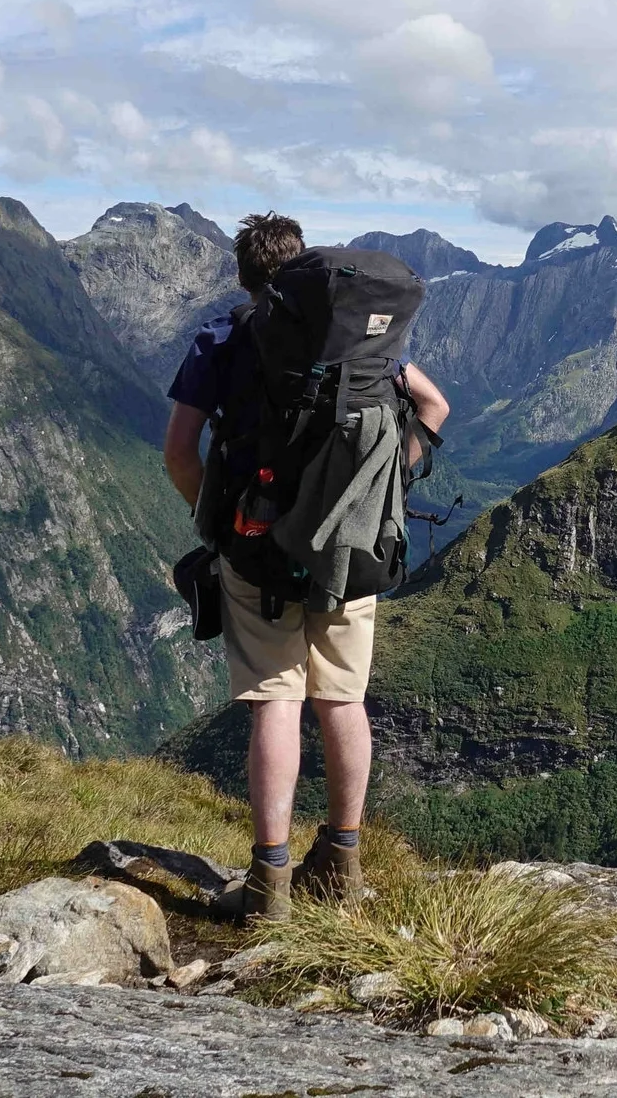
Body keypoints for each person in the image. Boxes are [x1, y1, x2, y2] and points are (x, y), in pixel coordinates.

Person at [162, 212, 450, 920]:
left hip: (258, 549)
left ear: (245, 274)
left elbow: (178, 453)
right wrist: (379, 491)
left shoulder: (223, 339)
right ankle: (343, 863)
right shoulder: (369, 350)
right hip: (353, 553)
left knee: (276, 701)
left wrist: (219, 522)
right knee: (343, 702)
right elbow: (435, 408)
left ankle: (271, 883)